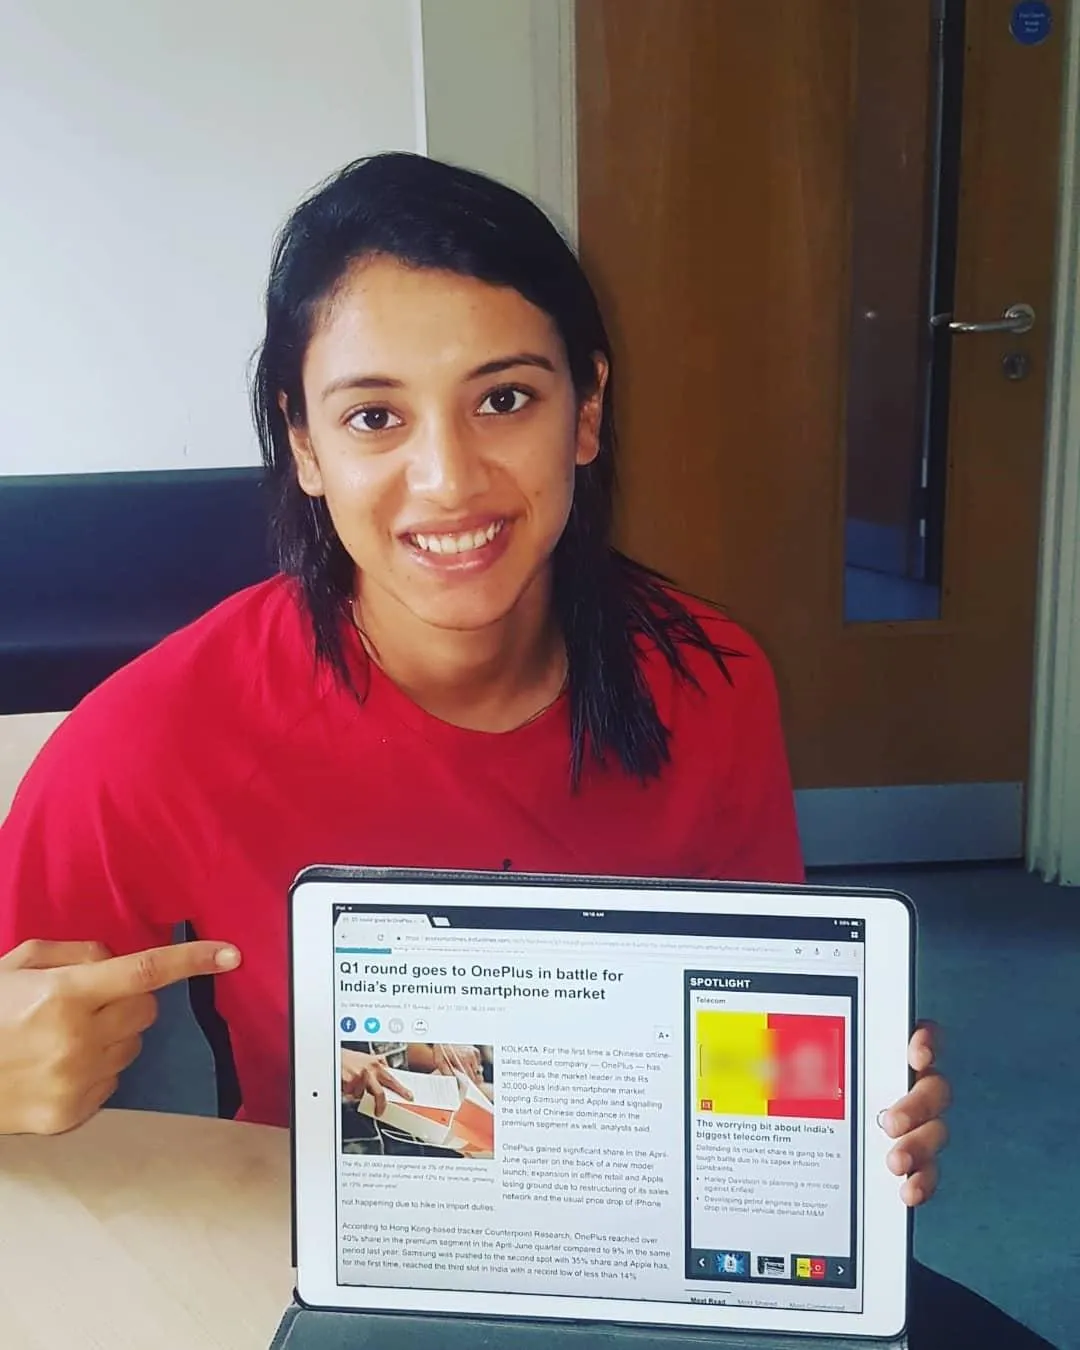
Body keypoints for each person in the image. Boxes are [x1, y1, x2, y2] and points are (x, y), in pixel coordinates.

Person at [0, 154, 1048, 1347]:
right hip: (354, 1272)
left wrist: (839, 1116)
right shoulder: (162, 730)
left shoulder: (709, 680)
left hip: (655, 1245)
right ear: (303, 444)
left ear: (586, 411)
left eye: (504, 399)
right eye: (375, 416)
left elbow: (746, 1036)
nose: (449, 479)